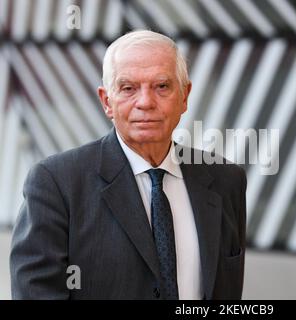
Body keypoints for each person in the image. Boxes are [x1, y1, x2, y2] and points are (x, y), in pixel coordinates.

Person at [9, 30, 247, 300]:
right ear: (106, 101)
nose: (145, 102)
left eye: (162, 86)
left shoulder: (227, 180)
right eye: (128, 88)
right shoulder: (56, 182)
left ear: (184, 96)